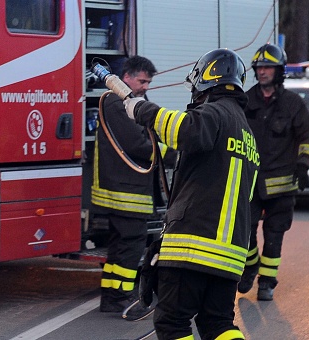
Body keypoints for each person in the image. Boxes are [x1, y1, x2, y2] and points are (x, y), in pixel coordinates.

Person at [124, 48, 260, 340]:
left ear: (206, 80)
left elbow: (184, 130)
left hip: (193, 248)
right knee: (219, 325)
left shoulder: (214, 112)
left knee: (172, 323)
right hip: (229, 258)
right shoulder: (248, 135)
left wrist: (142, 110)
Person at [91, 55, 176, 320]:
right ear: (126, 77)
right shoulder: (116, 102)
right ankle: (120, 296)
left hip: (128, 188)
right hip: (124, 191)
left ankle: (112, 295)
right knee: (131, 244)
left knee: (121, 245)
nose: (145, 87)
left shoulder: (130, 101)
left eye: (149, 82)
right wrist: (174, 155)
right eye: (142, 81)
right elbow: (137, 144)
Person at [237, 43, 309, 300]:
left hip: (282, 185)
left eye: (267, 67)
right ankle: (250, 266)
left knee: (274, 235)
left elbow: (308, 136)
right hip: (249, 182)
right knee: (245, 231)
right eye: (259, 68)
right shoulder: (245, 101)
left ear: (279, 71)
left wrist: (303, 165)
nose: (262, 72)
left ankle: (267, 282)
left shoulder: (293, 104)